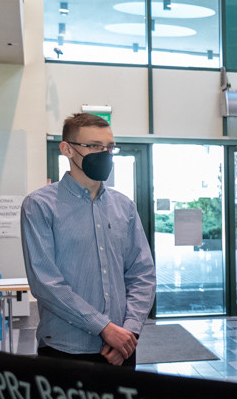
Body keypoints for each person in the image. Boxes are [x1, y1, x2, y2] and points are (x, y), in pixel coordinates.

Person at [21, 112, 155, 366]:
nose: (104, 153)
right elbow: (46, 283)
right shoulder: (39, 206)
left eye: (109, 147)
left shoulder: (124, 206)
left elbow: (142, 274)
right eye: (94, 146)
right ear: (67, 149)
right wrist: (104, 328)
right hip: (66, 350)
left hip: (122, 348)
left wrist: (129, 331)